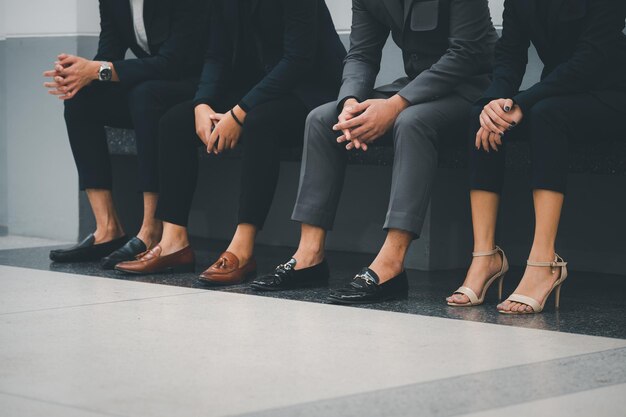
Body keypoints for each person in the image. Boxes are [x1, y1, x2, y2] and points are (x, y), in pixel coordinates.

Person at [251, 0, 498, 303]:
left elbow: (466, 55)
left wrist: (394, 105)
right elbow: (361, 55)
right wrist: (349, 102)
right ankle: (309, 256)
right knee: (321, 119)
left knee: (410, 122)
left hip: (472, 90)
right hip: (415, 87)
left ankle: (392, 261)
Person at [114, 0, 347, 280]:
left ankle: (243, 248)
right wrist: (202, 104)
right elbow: (217, 56)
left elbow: (297, 60)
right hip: (259, 90)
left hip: (311, 91)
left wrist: (239, 113)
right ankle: (174, 242)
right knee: (176, 121)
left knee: (260, 122)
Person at [447, 0, 626, 314]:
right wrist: (497, 103)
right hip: (559, 94)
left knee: (546, 115)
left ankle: (545, 262)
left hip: (613, 93)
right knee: (482, 116)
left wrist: (523, 102)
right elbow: (509, 54)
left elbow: (592, 58)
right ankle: (485, 256)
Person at [45, 0, 208, 268]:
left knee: (145, 96)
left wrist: (97, 70)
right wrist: (79, 74)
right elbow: (110, 52)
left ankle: (150, 229)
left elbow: (174, 63)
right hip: (154, 82)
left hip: (198, 85)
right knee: (80, 98)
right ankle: (107, 228)